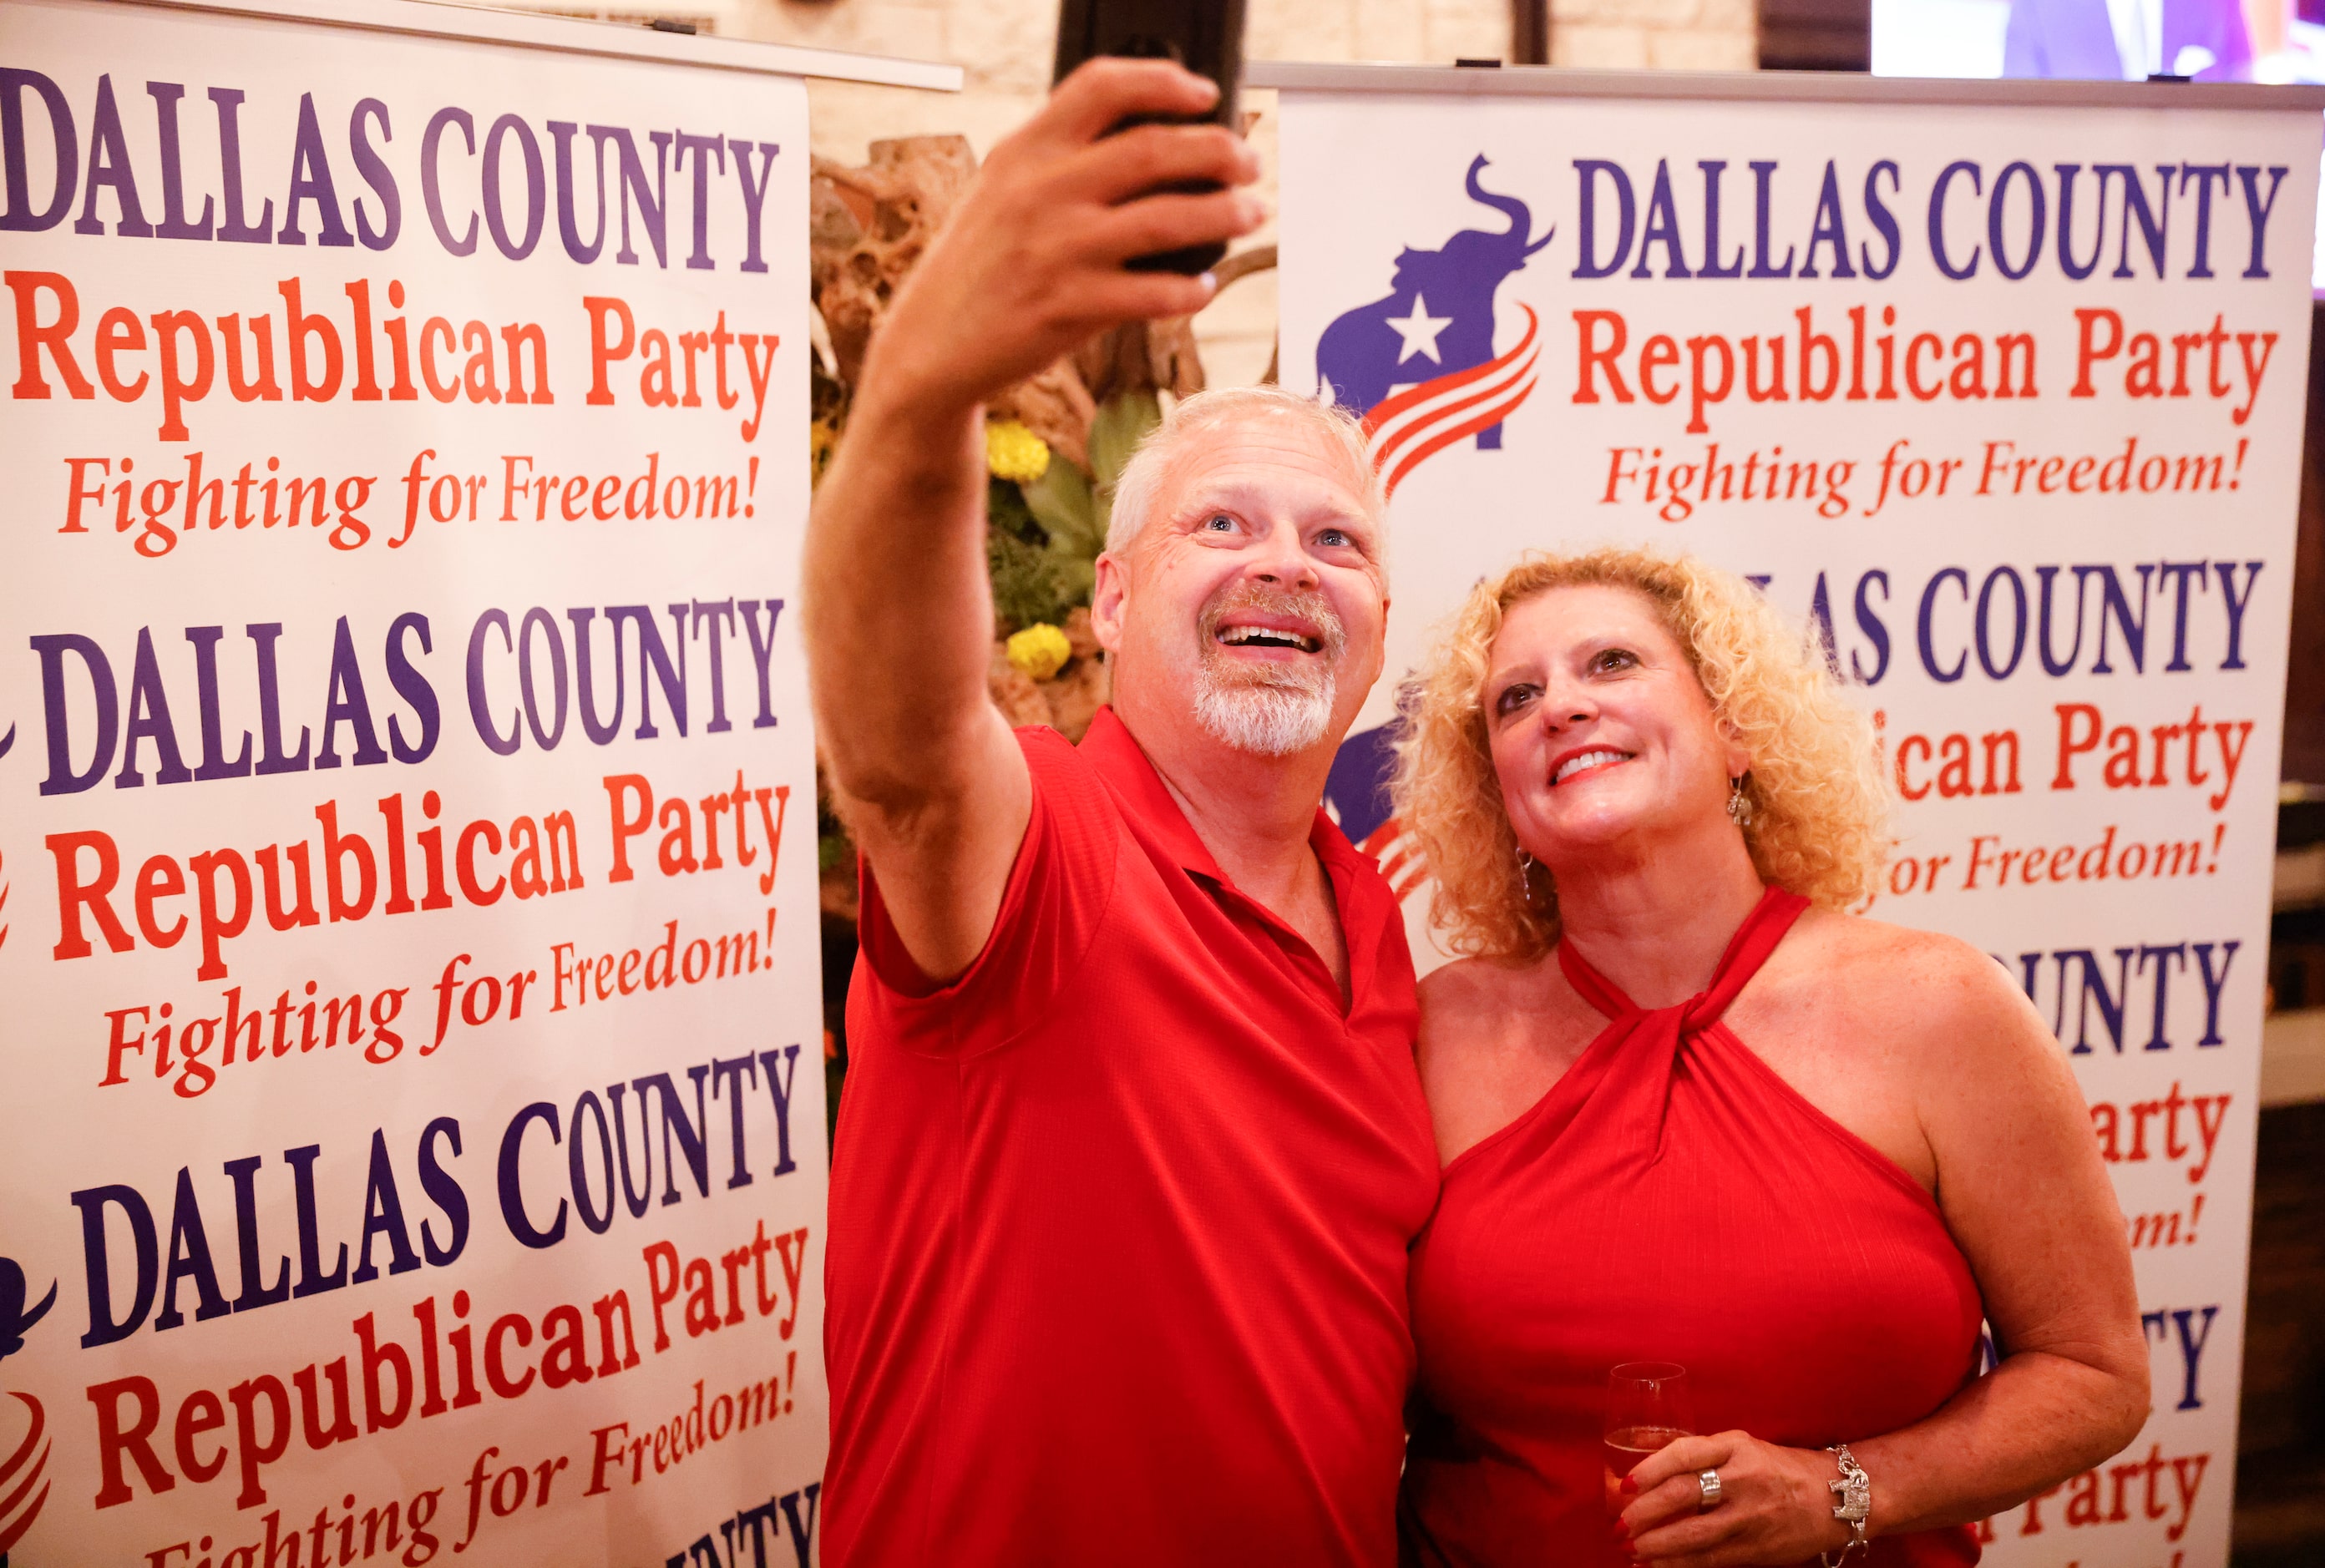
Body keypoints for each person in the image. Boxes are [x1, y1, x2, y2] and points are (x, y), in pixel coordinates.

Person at [804, 58, 1439, 1568]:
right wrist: (921, 384)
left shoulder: (1381, 929)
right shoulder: (1038, 852)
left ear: (1378, 614)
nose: (1283, 562)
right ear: (1104, 593)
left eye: (1333, 537)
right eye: (1219, 523)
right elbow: (899, 746)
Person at [1389, 547, 2150, 1567]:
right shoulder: (1431, 1033)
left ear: (1735, 728)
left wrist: (1840, 1491)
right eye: (1515, 699)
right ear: (1502, 797)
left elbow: (2094, 1375)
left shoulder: (1940, 1006)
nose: (1561, 708)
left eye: (1611, 664)